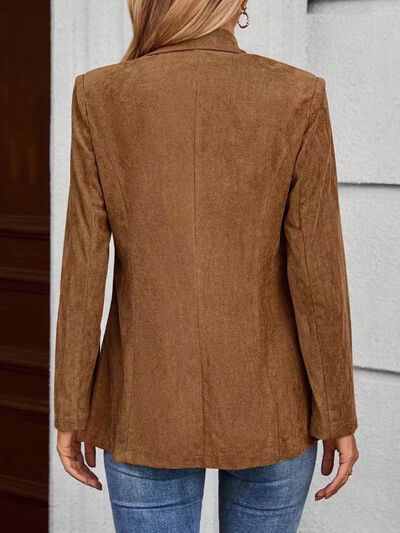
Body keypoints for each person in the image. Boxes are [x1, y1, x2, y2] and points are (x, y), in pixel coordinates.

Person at [54, 1, 360, 531]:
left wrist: (72, 408)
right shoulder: (297, 94)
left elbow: (84, 268)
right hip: (273, 405)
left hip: (143, 406)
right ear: (239, 5)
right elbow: (318, 274)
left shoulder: (100, 95)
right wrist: (336, 411)